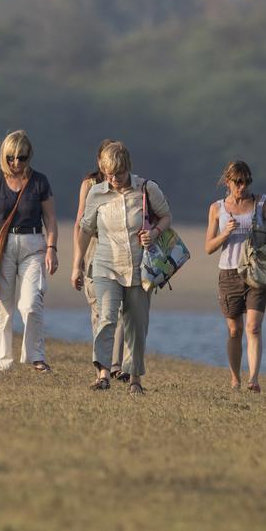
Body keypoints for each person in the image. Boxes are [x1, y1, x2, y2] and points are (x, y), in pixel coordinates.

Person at [72, 141, 171, 394]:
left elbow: (166, 216)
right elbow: (85, 229)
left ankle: (135, 379)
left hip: (139, 268)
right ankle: (103, 374)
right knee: (106, 319)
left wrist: (154, 231)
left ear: (128, 167)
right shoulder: (97, 193)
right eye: (108, 174)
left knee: (136, 324)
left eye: (118, 173)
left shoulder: (148, 189)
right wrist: (77, 265)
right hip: (105, 265)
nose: (113, 178)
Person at [0, 130, 58, 372]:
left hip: (33, 245)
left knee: (31, 303)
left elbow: (50, 218)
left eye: (22, 158)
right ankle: (2, 362)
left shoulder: (39, 181)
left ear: (30, 157)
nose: (16, 163)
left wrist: (51, 249)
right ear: (3, 156)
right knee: (2, 306)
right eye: (10, 157)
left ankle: (36, 356)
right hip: (1, 247)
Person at [203, 160, 266, 393]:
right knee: (235, 330)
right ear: (228, 182)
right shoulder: (217, 208)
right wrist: (226, 233)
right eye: (239, 182)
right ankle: (235, 378)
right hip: (229, 272)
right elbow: (208, 247)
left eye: (247, 181)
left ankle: (253, 379)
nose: (243, 187)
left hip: (256, 273)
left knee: (253, 327)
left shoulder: (262, 203)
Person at [73, 139, 127, 381]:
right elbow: (81, 222)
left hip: (123, 246)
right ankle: (103, 365)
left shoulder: (130, 185)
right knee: (99, 309)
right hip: (95, 245)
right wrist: (79, 259)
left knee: (123, 310)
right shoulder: (91, 184)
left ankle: (116, 365)